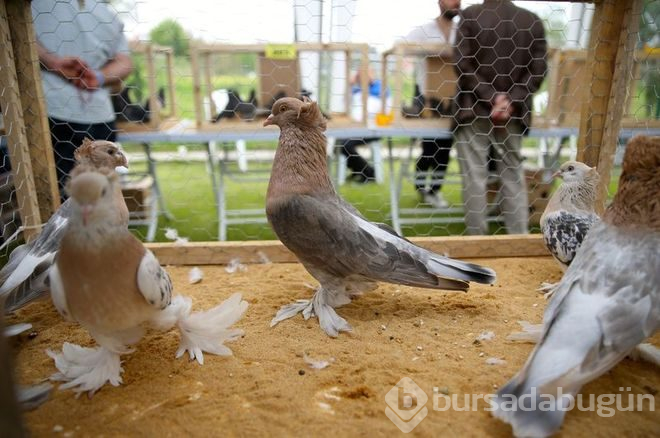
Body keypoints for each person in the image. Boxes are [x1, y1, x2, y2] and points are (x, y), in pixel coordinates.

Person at [453, 0, 547, 235]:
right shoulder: (531, 20)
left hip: (474, 109)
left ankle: (478, 243)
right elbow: (538, 70)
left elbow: (462, 63)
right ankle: (519, 240)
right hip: (513, 114)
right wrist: (511, 100)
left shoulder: (470, 15)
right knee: (513, 175)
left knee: (475, 177)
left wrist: (491, 97)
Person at [32, 0, 133, 199]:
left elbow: (16, 37)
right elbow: (125, 62)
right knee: (97, 198)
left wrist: (53, 63)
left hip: (53, 111)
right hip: (99, 117)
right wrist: (99, 77)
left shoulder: (33, 5)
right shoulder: (107, 13)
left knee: (57, 200)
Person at [404, 0, 461, 209]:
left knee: (445, 146)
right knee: (429, 146)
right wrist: (428, 50)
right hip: (426, 94)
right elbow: (404, 48)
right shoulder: (424, 30)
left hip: (453, 96)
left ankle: (435, 190)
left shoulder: (463, 30)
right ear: (440, 2)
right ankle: (420, 185)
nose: (456, 2)